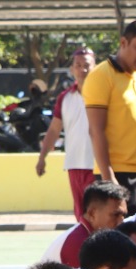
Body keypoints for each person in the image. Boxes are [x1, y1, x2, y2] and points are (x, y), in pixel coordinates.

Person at [84, 18, 136, 212]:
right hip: (118, 174)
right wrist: (109, 178)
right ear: (123, 42)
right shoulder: (101, 76)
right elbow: (96, 131)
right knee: (120, 231)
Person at [36, 47, 97, 222]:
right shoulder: (65, 98)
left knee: (97, 215)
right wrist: (42, 157)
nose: (83, 69)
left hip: (97, 166)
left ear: (95, 67)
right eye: (78, 65)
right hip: (74, 166)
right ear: (72, 69)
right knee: (81, 217)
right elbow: (54, 130)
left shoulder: (103, 94)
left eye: (87, 65)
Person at [50, 179, 129, 267]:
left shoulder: (95, 237)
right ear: (92, 214)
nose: (122, 222)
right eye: (115, 215)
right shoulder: (77, 243)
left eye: (123, 215)